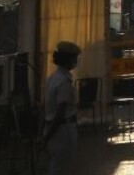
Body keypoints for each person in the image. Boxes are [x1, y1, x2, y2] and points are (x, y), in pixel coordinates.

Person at [43, 41, 81, 175]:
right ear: (68, 60)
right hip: (62, 131)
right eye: (74, 58)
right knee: (62, 168)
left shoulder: (52, 78)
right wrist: (48, 136)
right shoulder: (64, 82)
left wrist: (46, 135)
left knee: (55, 166)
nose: (75, 61)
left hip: (51, 128)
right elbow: (60, 113)